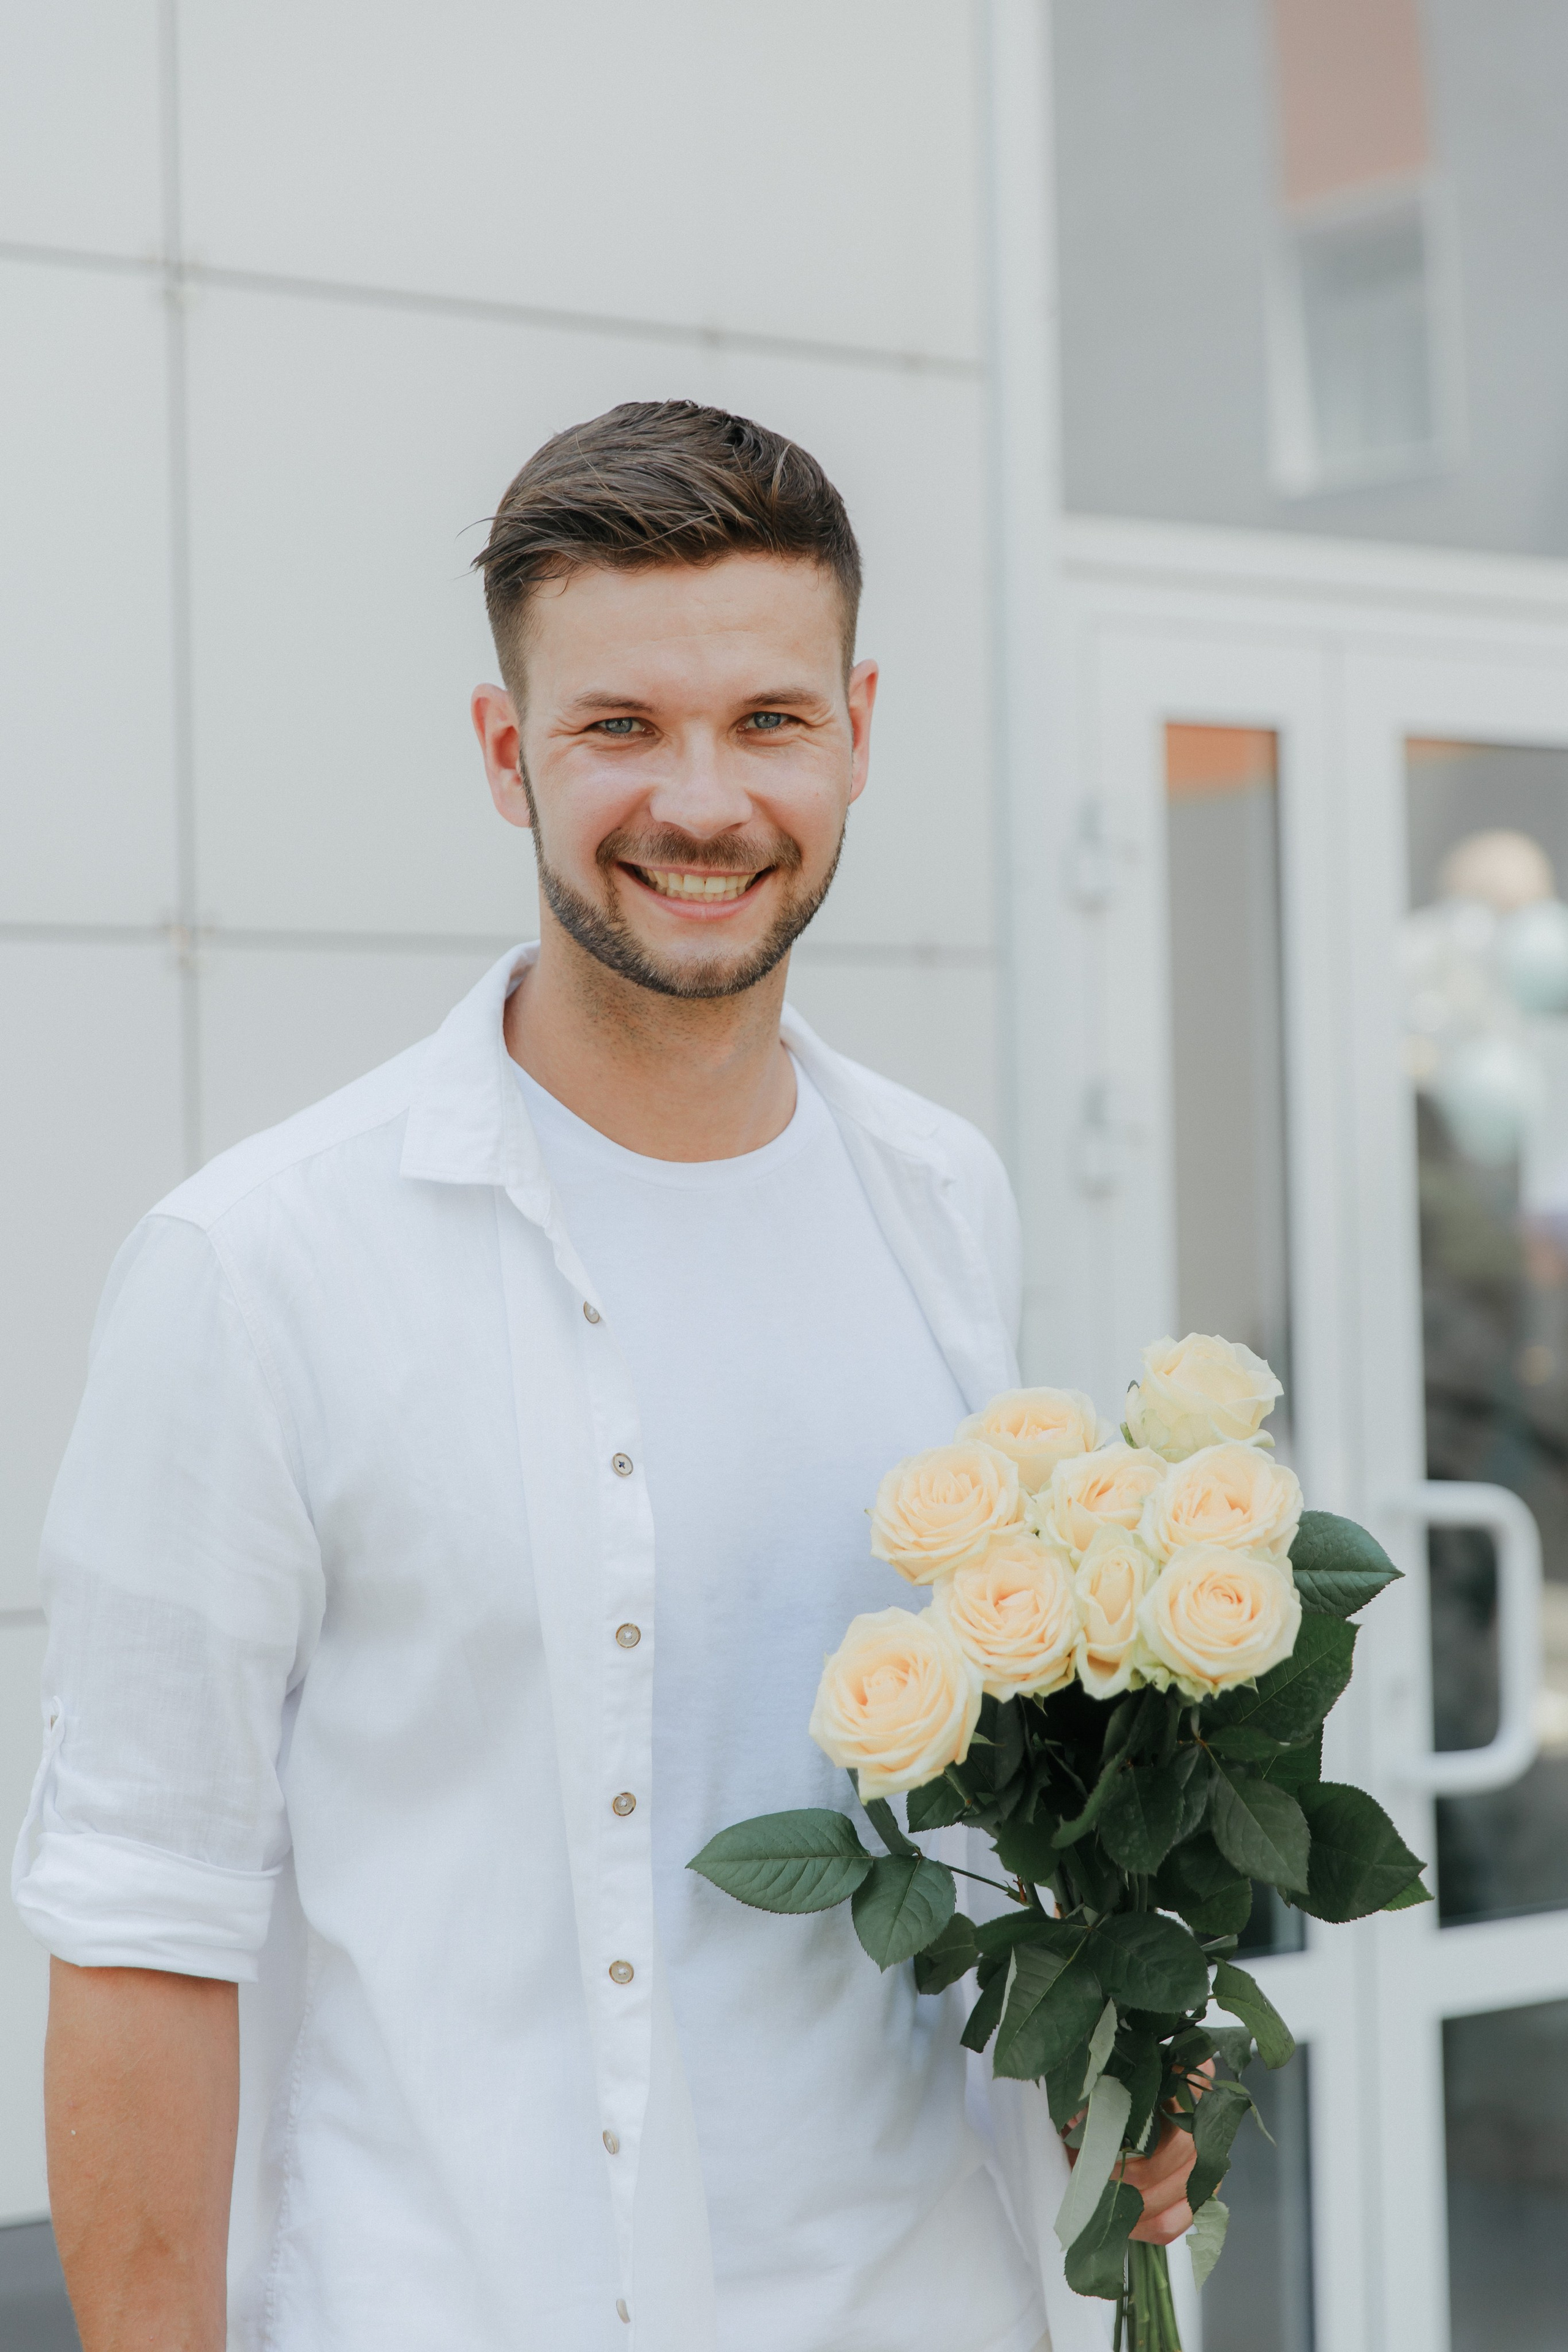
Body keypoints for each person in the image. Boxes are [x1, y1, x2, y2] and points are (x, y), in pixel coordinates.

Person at [13, 402, 1199, 2352]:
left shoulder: (941, 1201)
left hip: (938, 2303)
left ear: (860, 730)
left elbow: (998, 1808)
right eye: (618, 728)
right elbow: (145, 1928)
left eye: (767, 722)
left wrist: (1119, 2044)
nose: (704, 803)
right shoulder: (259, 1271)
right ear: (508, 755)